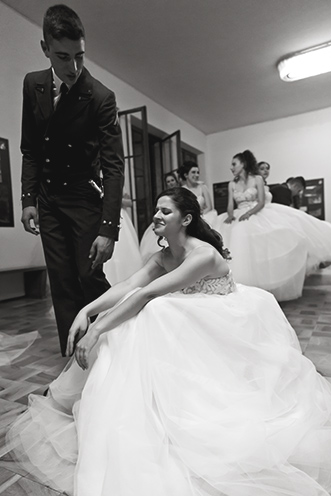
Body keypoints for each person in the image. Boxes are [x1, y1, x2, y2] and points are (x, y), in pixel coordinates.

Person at [6, 187, 331, 496]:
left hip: (224, 319)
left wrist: (96, 331)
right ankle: (128, 399)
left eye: (166, 211)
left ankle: (153, 404)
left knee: (151, 311)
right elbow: (131, 284)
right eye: (157, 211)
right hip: (189, 311)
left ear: (186, 219)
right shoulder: (163, 255)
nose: (156, 216)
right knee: (142, 313)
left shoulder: (203, 255)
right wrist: (86, 310)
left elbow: (149, 293)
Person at [20, 5, 124, 355]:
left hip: (83, 197)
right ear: (45, 48)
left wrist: (108, 229)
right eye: (63, 57)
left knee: (89, 275)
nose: (74, 67)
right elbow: (30, 148)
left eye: (80, 56)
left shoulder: (100, 97)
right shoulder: (32, 84)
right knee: (62, 282)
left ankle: (114, 348)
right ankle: (74, 360)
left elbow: (114, 167)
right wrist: (28, 199)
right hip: (48, 200)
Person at [216, 150, 308, 301]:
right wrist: (231, 214)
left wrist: (249, 213)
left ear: (243, 164)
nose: (231, 167)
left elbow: (261, 202)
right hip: (238, 213)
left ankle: (258, 290)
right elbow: (230, 205)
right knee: (230, 241)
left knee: (258, 248)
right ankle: (236, 288)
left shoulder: (257, 179)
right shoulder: (231, 183)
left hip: (255, 213)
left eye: (234, 164)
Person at [139, 170, 179, 263]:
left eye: (172, 180)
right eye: (168, 182)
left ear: (176, 181)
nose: (170, 183)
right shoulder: (164, 196)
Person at [103, 192, 143, 284]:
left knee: (124, 246)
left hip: (120, 217)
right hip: (107, 215)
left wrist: (116, 201)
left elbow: (129, 202)